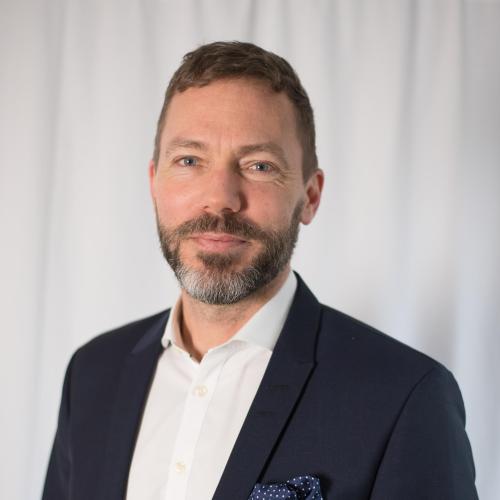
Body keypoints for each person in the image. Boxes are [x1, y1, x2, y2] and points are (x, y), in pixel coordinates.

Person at [42, 41, 478, 500]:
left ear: (310, 196)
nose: (220, 198)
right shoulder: (92, 374)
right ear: (155, 182)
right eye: (189, 161)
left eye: (259, 166)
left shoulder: (406, 397)